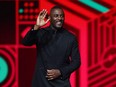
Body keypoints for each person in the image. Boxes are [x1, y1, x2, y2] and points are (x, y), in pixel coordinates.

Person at [22, 6, 81, 87]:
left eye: (62, 16)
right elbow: (26, 42)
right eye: (56, 16)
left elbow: (76, 62)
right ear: (49, 17)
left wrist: (60, 72)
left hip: (61, 83)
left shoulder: (70, 37)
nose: (59, 18)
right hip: (41, 82)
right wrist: (36, 26)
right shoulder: (40, 33)